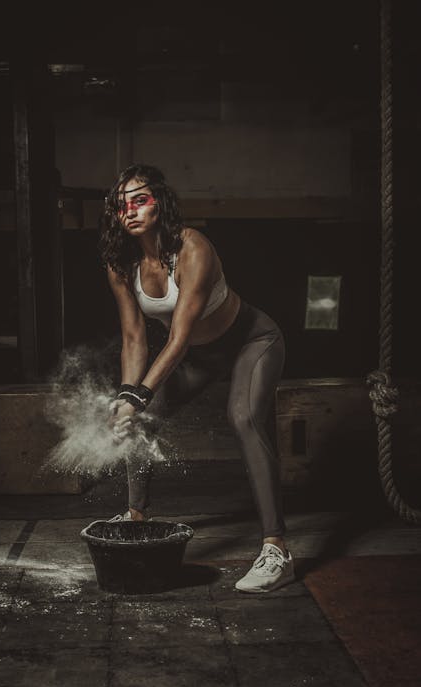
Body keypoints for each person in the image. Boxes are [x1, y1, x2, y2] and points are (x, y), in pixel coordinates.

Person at [99, 164, 294, 593]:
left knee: (243, 418)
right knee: (140, 417)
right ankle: (135, 514)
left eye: (139, 200)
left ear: (160, 202)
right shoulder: (120, 263)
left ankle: (276, 549)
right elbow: (134, 338)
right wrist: (127, 397)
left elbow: (181, 336)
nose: (129, 211)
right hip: (195, 357)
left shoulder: (192, 248)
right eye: (120, 205)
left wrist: (140, 395)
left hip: (250, 341)